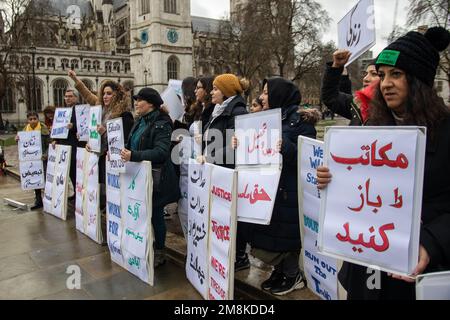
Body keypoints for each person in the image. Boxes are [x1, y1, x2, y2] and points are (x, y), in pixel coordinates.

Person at [317, 27, 450, 300]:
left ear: (418, 79)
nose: (385, 83)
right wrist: (332, 182)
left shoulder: (446, 131)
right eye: (382, 74)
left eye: (396, 74)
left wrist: (431, 243)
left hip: (416, 275)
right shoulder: (373, 128)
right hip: (365, 270)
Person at [249, 77, 319, 296]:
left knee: (287, 237)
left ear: (280, 94)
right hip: (269, 189)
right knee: (273, 236)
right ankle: (279, 272)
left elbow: (307, 158)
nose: (262, 96)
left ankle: (292, 275)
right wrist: (241, 142)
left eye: (267, 92)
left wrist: (286, 146)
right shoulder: (267, 119)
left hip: (288, 191)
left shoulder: (301, 122)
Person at [121, 87, 180, 268]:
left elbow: (161, 153)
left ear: (151, 104)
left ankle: (160, 251)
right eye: (136, 100)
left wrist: (134, 156)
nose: (136, 103)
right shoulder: (140, 121)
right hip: (138, 177)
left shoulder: (162, 123)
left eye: (140, 100)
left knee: (155, 215)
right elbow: (131, 143)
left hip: (156, 179)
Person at [321, 49, 380, 126]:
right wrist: (336, 66)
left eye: (374, 74)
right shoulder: (357, 103)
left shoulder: (395, 109)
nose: (365, 78)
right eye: (366, 74)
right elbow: (330, 96)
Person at [52, 89, 84, 195]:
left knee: (76, 172)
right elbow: (60, 128)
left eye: (70, 96)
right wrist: (55, 139)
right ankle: (75, 192)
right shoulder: (63, 111)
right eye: (66, 96)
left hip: (75, 145)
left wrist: (73, 126)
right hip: (64, 146)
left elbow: (84, 126)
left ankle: (79, 195)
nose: (67, 98)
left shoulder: (80, 109)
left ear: (76, 97)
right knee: (69, 171)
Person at [16, 112, 50, 210]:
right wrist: (17, 139)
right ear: (27, 120)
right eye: (30, 119)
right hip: (31, 161)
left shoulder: (44, 130)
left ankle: (48, 199)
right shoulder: (24, 131)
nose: (32, 121)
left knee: (46, 179)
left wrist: (46, 155)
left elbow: (50, 144)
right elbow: (21, 144)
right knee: (35, 180)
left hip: (43, 159)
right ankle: (38, 200)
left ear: (38, 119)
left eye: (34, 119)